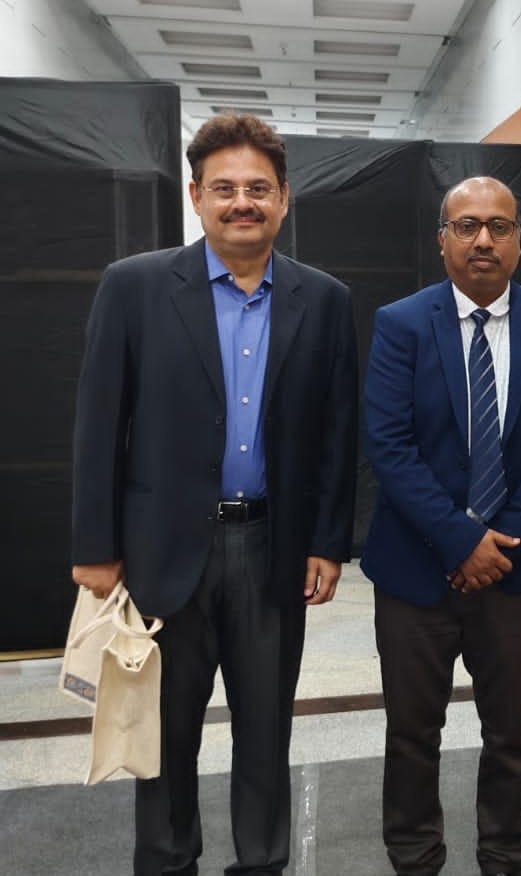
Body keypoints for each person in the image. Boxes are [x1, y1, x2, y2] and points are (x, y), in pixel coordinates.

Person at [71, 113, 358, 875]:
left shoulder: (324, 299)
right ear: (196, 197)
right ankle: (168, 861)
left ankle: (261, 862)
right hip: (161, 552)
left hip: (272, 550)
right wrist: (95, 548)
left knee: (266, 730)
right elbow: (99, 424)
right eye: (224, 188)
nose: (242, 202)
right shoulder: (134, 287)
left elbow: (338, 431)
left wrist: (329, 541)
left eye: (258, 188)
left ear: (284, 199)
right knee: (164, 734)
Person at [361, 176, 521, 876]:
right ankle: (415, 858)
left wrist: (499, 543)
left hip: (514, 572)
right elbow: (389, 445)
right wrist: (462, 540)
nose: (483, 239)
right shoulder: (401, 323)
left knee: (513, 732)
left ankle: (504, 857)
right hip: (415, 569)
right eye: (466, 226)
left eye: (499, 226)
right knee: (411, 735)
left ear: (519, 240)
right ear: (443, 239)